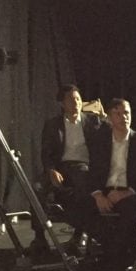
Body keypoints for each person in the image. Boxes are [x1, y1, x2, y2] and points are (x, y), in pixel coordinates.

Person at [32, 85, 104, 254]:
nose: (76, 103)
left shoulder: (92, 122)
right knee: (37, 187)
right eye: (71, 100)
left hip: (82, 165)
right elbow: (46, 152)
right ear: (62, 103)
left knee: (83, 185)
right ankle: (39, 235)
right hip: (60, 166)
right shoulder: (52, 124)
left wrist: (104, 115)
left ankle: (80, 234)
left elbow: (107, 136)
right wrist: (51, 170)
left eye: (78, 99)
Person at [85, 99, 136, 266]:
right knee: (82, 207)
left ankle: (113, 257)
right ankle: (113, 250)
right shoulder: (100, 142)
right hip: (105, 190)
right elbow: (92, 170)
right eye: (118, 113)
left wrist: (127, 192)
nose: (124, 117)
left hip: (130, 192)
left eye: (127, 113)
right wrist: (98, 194)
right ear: (109, 117)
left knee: (131, 208)